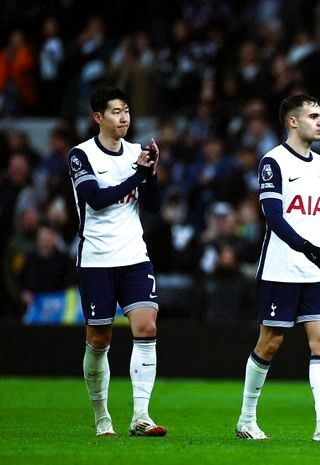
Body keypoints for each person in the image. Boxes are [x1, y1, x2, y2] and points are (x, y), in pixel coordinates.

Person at [235, 94, 320, 443]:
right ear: (292, 121)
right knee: (270, 344)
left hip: (316, 270)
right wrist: (306, 247)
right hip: (281, 268)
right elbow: (274, 218)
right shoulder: (273, 162)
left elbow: (312, 216)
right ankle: (247, 418)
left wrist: (315, 251)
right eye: (313, 116)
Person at [68, 86, 164, 437]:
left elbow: (153, 207)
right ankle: (102, 416)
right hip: (96, 258)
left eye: (126, 110)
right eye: (115, 112)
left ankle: (141, 416)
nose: (124, 117)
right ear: (98, 117)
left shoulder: (138, 152)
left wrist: (151, 173)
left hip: (134, 255)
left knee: (147, 328)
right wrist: (139, 175)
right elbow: (95, 199)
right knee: (99, 339)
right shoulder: (81, 155)